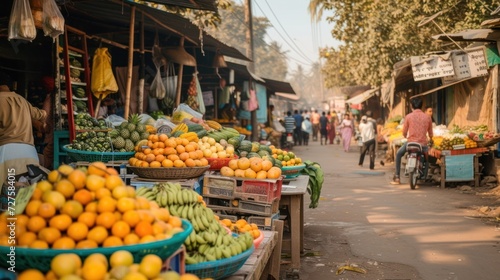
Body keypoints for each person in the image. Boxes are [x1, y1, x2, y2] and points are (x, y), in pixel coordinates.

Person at [0, 72, 47, 185]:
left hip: (7, 153)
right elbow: (42, 114)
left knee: (9, 196)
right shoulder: (22, 100)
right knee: (29, 196)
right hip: (29, 153)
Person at [391, 98, 433, 185]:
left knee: (398, 154)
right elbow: (431, 133)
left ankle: (397, 177)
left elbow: (404, 132)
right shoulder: (427, 117)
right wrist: (431, 139)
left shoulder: (408, 116)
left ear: (411, 106)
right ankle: (424, 174)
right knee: (427, 158)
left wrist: (405, 136)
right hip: (423, 144)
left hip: (410, 144)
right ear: (421, 106)